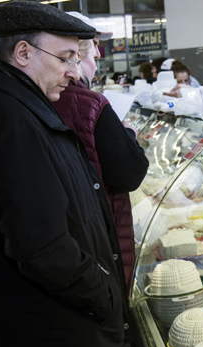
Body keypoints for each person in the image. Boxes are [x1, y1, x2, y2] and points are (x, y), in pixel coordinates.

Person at [0, 2, 130, 347]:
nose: (75, 73)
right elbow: (42, 249)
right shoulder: (12, 121)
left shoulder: (17, 106)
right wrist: (106, 297)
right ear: (22, 53)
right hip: (55, 326)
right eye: (65, 58)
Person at [54, 11, 149, 292]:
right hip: (96, 242)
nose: (98, 52)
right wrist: (128, 135)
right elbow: (129, 174)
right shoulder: (89, 102)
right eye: (94, 43)